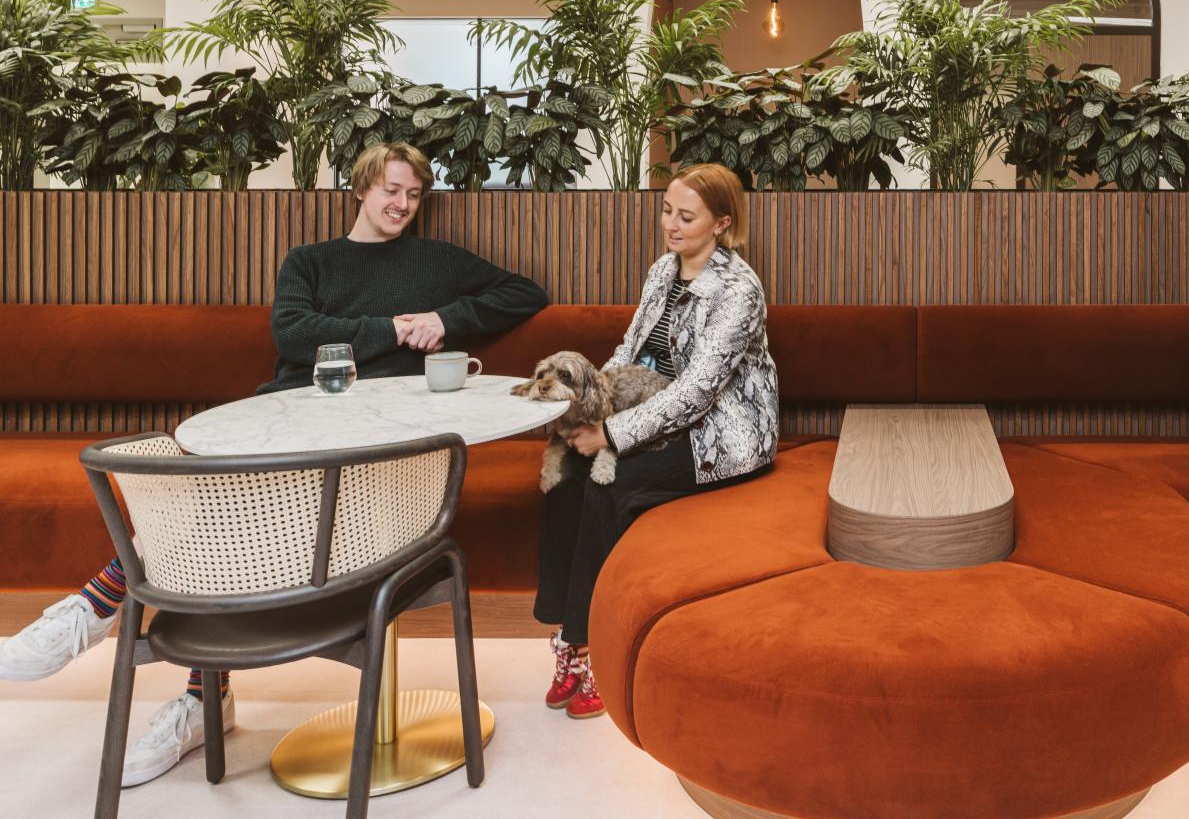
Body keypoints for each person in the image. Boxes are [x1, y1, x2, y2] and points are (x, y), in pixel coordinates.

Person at [0, 142, 548, 786]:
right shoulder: (311, 260)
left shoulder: (435, 261)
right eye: (390, 190)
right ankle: (188, 685)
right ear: (361, 189)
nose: (401, 204)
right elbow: (293, 334)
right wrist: (393, 330)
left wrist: (441, 317)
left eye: (413, 195)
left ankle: (119, 624)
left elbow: (524, 291)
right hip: (284, 419)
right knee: (214, 501)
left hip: (379, 438)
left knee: (219, 509)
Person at [536, 163, 778, 720]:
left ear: (722, 224)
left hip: (723, 433)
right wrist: (588, 410)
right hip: (650, 411)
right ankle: (565, 638)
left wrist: (612, 434)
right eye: (667, 210)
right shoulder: (662, 270)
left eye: (686, 216)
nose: (671, 224)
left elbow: (697, 393)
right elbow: (629, 351)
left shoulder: (739, 290)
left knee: (607, 483)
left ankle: (589, 643)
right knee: (561, 477)